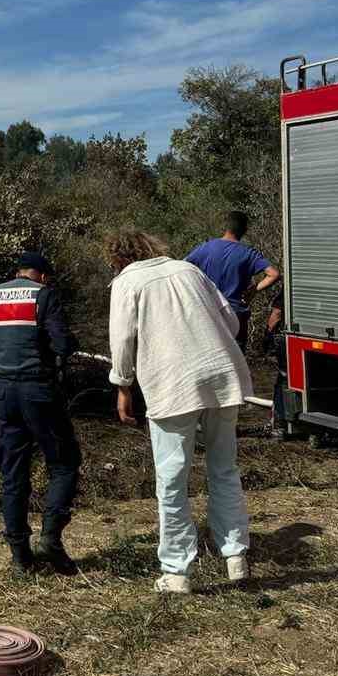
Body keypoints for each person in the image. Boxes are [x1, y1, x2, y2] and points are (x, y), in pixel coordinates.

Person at [107, 230, 251, 595]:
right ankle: (235, 556)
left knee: (172, 480)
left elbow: (122, 340)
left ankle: (176, 571)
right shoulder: (189, 270)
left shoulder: (127, 282)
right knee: (224, 466)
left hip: (173, 383)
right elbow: (231, 322)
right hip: (221, 374)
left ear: (118, 258)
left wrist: (123, 386)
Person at [0, 249, 81, 576]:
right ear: (41, 275)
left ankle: (19, 558)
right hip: (38, 391)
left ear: (18, 271)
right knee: (64, 463)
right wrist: (68, 344)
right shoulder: (44, 295)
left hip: (2, 393)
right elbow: (62, 345)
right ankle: (51, 539)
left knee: (13, 473)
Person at [185, 211, 279, 351]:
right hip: (236, 314)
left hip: (208, 312)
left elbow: (183, 267)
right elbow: (274, 274)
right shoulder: (248, 253)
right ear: (244, 230)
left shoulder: (206, 247)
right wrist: (253, 290)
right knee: (237, 357)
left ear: (226, 227)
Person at [261, 280, 296, 440]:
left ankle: (279, 425)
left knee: (283, 380)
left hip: (288, 337)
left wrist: (268, 334)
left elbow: (277, 313)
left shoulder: (292, 282)